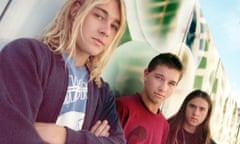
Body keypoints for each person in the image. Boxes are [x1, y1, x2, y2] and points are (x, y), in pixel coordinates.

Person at [0, 0, 126, 143]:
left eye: (114, 26)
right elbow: (12, 136)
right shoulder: (27, 55)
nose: (106, 31)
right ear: (75, 10)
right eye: (99, 16)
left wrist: (62, 135)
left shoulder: (102, 93)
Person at [116, 53, 184, 144]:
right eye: (159, 78)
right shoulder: (122, 107)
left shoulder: (164, 126)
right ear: (146, 75)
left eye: (171, 83)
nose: (163, 88)